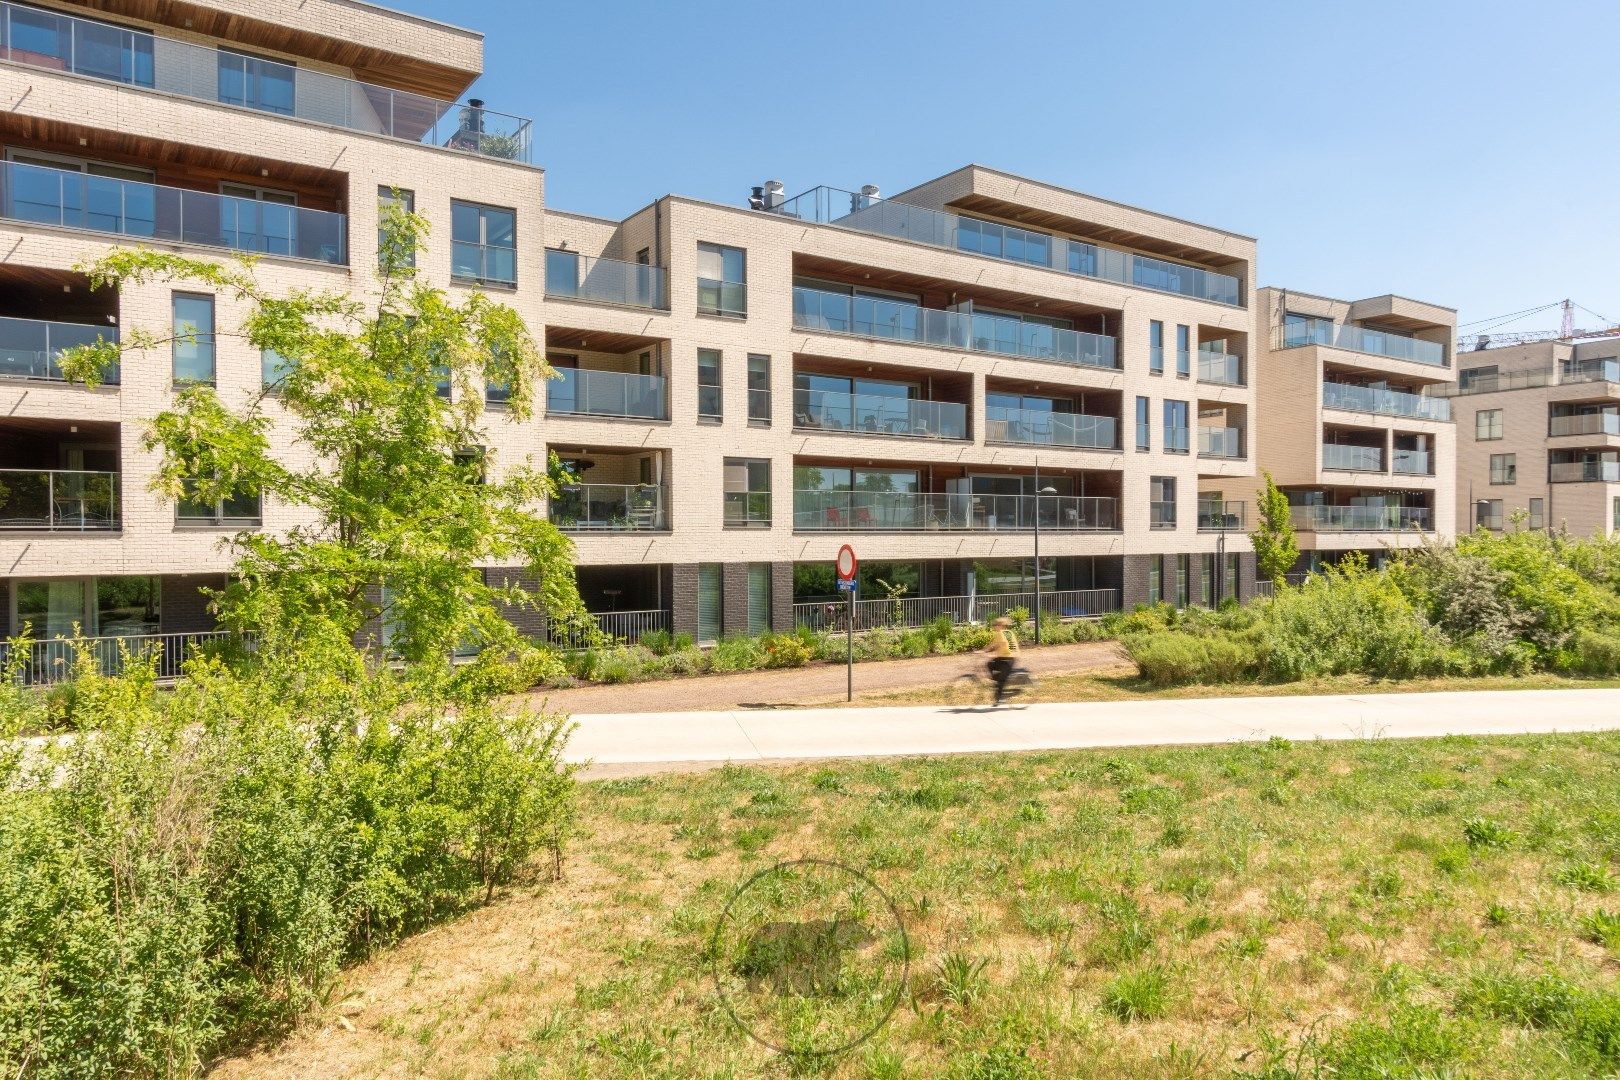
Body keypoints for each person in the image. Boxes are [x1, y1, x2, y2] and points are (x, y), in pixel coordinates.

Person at [983, 616, 1018, 705]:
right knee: (991, 665)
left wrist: (984, 651)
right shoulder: (1009, 632)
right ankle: (1000, 684)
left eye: (995, 625)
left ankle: (1000, 698)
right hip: (1011, 658)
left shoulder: (1000, 633)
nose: (994, 627)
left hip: (1005, 659)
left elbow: (995, 646)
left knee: (999, 679)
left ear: (1000, 625)